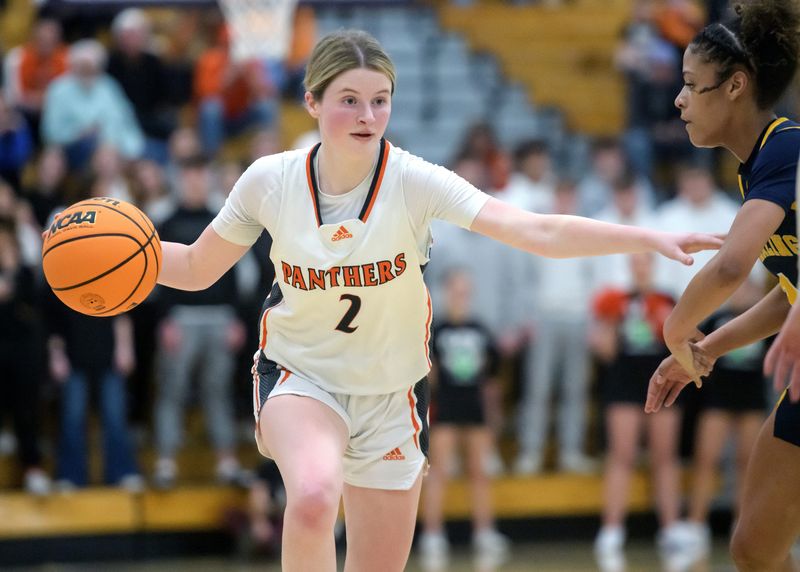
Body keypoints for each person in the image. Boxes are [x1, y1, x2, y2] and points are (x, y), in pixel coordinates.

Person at [156, 29, 720, 572]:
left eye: (380, 101)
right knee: (312, 496)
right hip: (300, 374)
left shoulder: (414, 182)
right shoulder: (269, 182)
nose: (367, 116)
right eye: (349, 100)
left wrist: (646, 236)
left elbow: (537, 231)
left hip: (392, 392)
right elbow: (194, 267)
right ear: (311, 101)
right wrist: (108, 259)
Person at [644, 3, 800, 570]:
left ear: (735, 86)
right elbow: (789, 292)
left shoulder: (787, 146)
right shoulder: (754, 166)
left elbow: (732, 267)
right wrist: (706, 349)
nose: (679, 100)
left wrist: (676, 328)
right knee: (755, 548)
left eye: (690, 85)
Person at [591, 253, 689, 572]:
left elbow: (680, 343)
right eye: (637, 262)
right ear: (630, 266)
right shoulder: (615, 300)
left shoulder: (667, 300)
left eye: (647, 262)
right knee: (622, 455)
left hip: (660, 378)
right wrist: (606, 324)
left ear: (654, 266)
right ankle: (612, 529)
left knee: (665, 456)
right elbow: (604, 350)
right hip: (623, 381)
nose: (642, 266)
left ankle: (671, 528)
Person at [418, 269, 509, 571]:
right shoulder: (437, 330)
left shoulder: (481, 331)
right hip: (445, 408)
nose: (460, 297)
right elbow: (428, 375)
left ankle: (484, 532)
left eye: (465, 292)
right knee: (439, 471)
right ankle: (432, 534)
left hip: (474, 408)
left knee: (479, 471)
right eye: (455, 291)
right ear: (446, 293)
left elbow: (491, 379)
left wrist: (493, 418)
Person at [681, 276, 768, 565]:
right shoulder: (716, 320)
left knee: (747, 463)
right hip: (717, 401)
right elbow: (694, 349)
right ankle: (695, 525)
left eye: (747, 287)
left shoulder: (764, 324)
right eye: (736, 287)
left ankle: (741, 524)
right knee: (707, 460)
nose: (741, 293)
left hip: (751, 401)